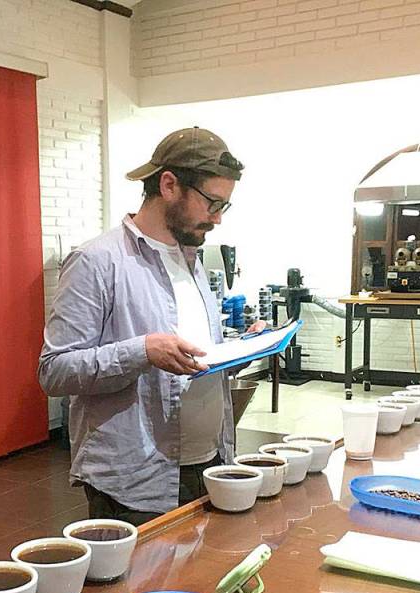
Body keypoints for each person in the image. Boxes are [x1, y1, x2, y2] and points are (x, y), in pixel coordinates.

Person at [39, 127, 261, 526]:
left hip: (208, 464)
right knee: (144, 589)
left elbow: (193, 355)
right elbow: (54, 371)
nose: (217, 219)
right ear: (169, 184)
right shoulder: (96, 261)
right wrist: (142, 351)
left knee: (197, 586)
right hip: (135, 480)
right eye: (212, 203)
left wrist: (242, 349)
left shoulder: (192, 259)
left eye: (224, 207)